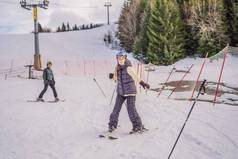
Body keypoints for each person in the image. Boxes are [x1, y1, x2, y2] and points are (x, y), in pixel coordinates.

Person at [108, 51, 150, 133]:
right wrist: (112, 76)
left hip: (130, 91)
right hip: (121, 92)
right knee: (115, 110)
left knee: (131, 110)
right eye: (118, 58)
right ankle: (112, 125)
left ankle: (138, 126)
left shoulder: (128, 68)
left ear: (125, 58)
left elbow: (135, 76)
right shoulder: (117, 67)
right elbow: (116, 78)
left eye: (122, 58)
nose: (120, 60)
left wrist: (142, 83)